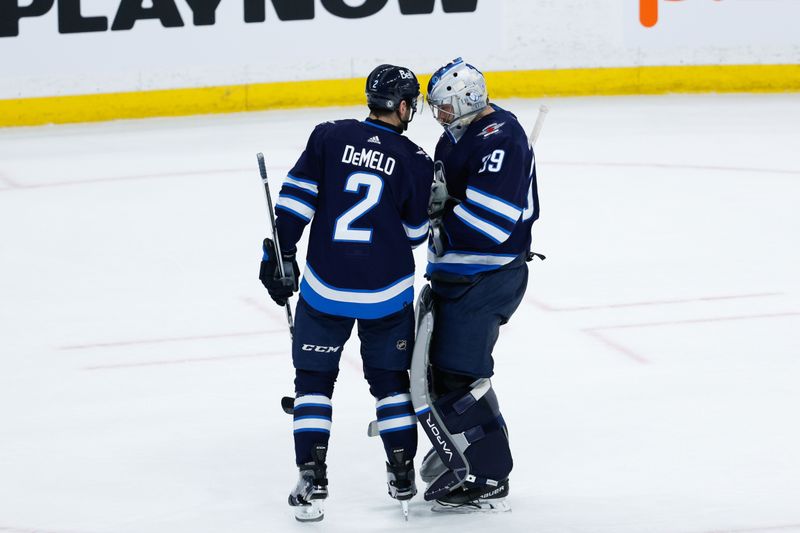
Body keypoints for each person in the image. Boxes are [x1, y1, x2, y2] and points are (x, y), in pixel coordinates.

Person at [258, 64, 433, 521]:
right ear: (401, 106)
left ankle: (312, 474)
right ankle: (401, 471)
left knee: (313, 383)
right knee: (390, 384)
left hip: (326, 289)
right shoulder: (416, 159)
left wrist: (278, 255)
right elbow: (415, 236)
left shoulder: (329, 136)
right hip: (386, 295)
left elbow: (295, 200)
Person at [420, 57, 541, 511]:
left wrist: (438, 215)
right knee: (440, 371)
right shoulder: (453, 138)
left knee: (459, 369)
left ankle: (490, 473)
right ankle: (466, 445)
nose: (440, 116)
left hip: (488, 274)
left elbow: (491, 221)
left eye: (445, 107)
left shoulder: (502, 139)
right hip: (459, 273)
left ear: (468, 99)